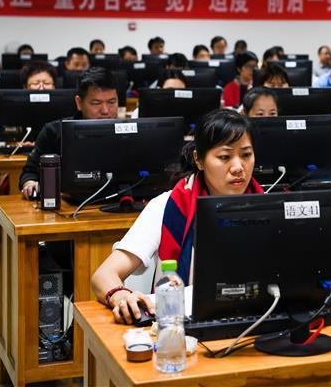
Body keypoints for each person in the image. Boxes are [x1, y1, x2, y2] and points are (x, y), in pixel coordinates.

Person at [91, 110, 263, 323]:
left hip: (254, 323)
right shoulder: (167, 206)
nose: (238, 168)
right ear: (198, 159)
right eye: (224, 157)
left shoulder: (269, 208)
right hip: (177, 330)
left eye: (246, 154)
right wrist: (121, 296)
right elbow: (103, 275)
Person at [19, 68, 120, 200]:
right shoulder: (54, 132)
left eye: (112, 102)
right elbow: (30, 173)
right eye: (96, 103)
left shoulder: (129, 133)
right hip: (67, 207)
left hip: (118, 206)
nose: (106, 111)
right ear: (79, 103)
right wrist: (30, 183)